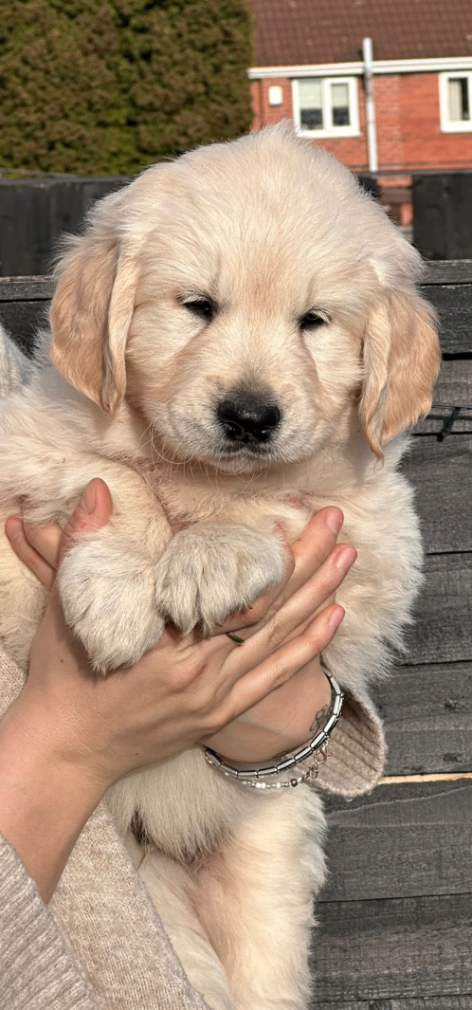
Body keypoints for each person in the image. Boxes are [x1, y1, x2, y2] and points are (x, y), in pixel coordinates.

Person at [0, 328, 385, 1010]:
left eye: (311, 320)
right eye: (200, 308)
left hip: (229, 824)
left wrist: (280, 708)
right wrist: (69, 745)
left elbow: (356, 587)